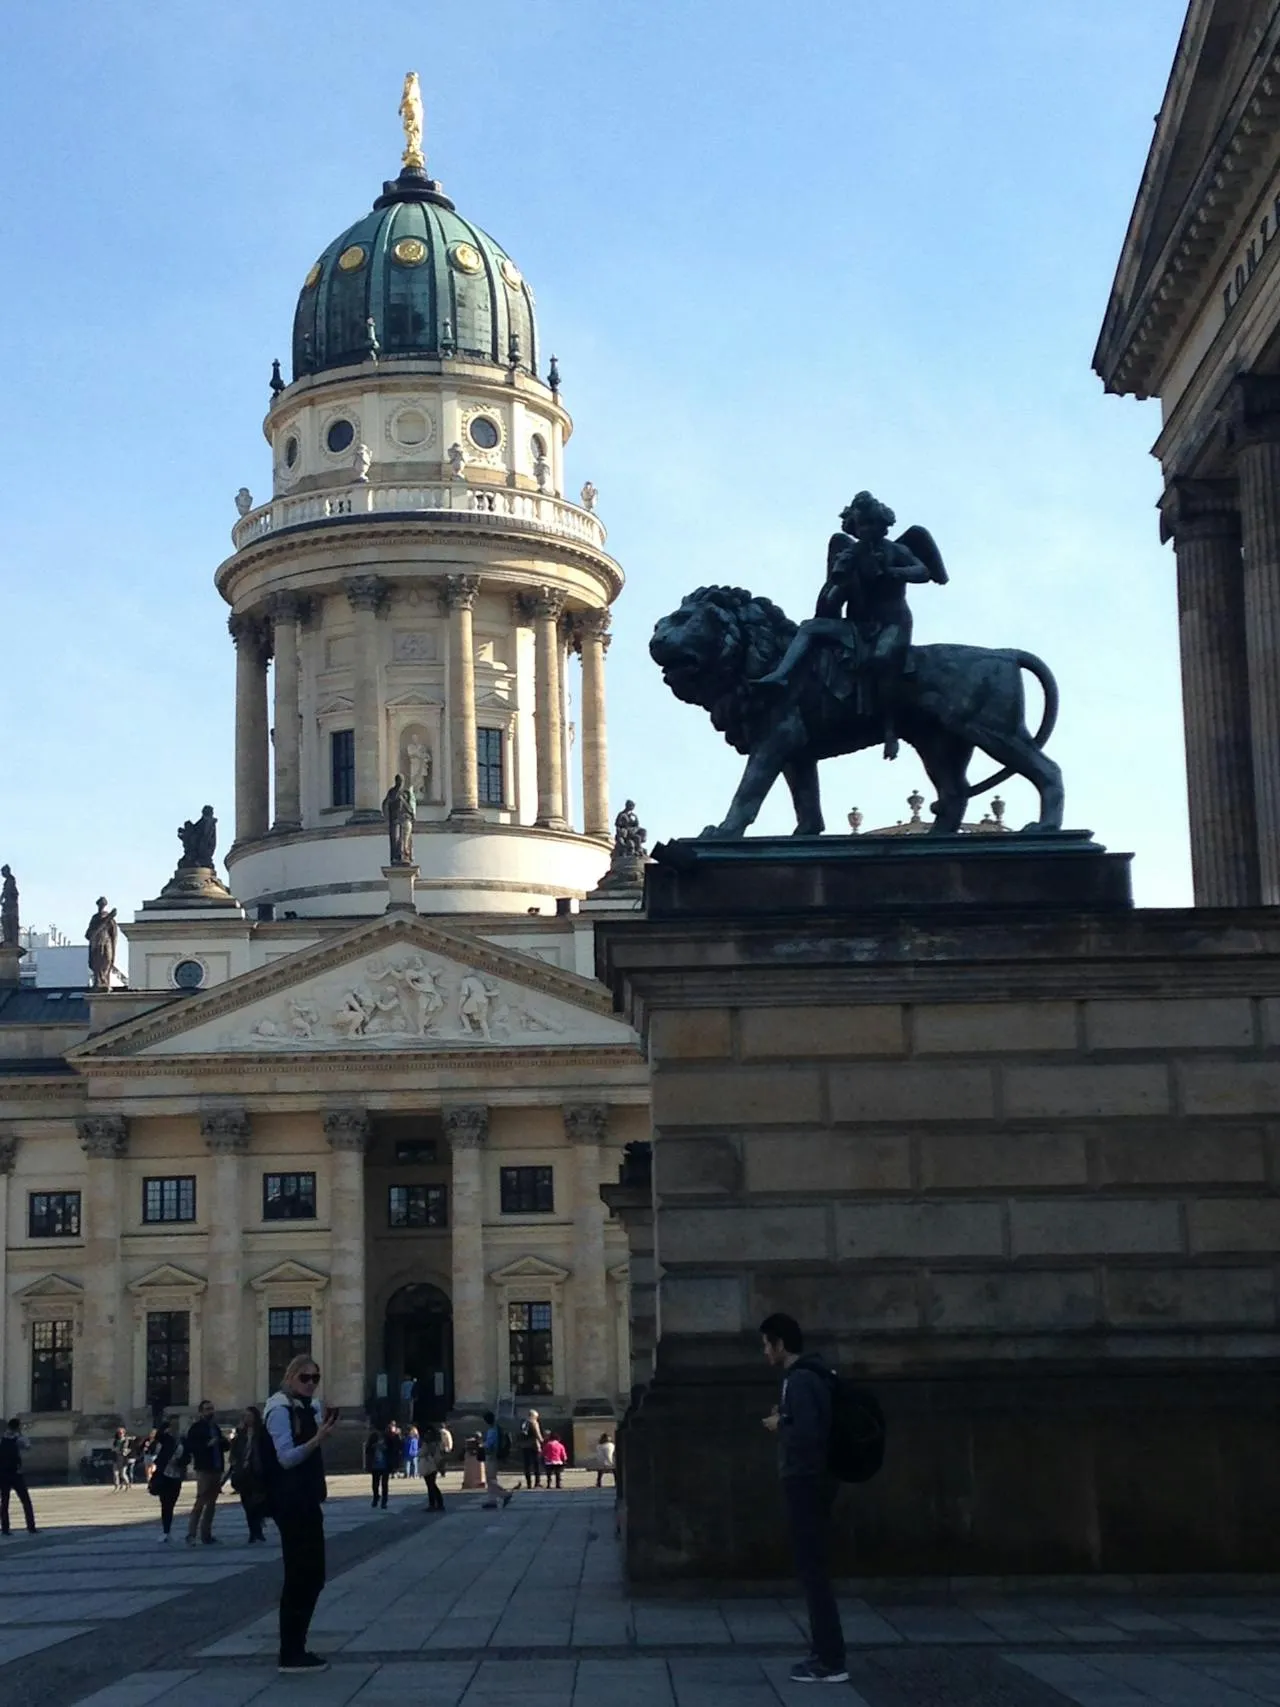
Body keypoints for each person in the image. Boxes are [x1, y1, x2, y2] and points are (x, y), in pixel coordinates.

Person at [755, 491, 946, 759]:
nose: (866, 529)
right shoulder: (849, 553)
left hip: (892, 624)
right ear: (853, 527)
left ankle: (890, 728)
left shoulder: (897, 550)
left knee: (881, 658)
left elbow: (923, 571)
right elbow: (830, 604)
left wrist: (894, 572)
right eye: (861, 525)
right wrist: (839, 582)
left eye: (870, 523)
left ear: (881, 524)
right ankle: (781, 675)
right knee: (811, 627)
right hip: (857, 626)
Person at [761, 1312, 848, 1686]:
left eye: (767, 1344)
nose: (765, 1351)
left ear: (781, 1344)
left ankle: (830, 1659)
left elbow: (808, 1436)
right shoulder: (813, 1376)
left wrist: (780, 1424)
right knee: (814, 1572)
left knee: (814, 1574)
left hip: (807, 1482)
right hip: (816, 1481)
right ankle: (824, 1653)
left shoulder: (797, 1380)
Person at [263, 1352, 337, 1674]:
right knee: (300, 1575)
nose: (310, 1384)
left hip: (307, 1499)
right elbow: (286, 1458)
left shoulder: (306, 1407)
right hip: (290, 1502)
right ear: (290, 1377)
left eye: (315, 1378)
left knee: (314, 1575)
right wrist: (317, 1439)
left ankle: (297, 1646)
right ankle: (290, 1652)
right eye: (304, 1378)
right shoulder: (279, 1409)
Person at [184, 1399, 229, 1545]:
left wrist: (223, 1442)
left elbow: (225, 1445)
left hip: (217, 1467)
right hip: (204, 1468)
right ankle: (191, 1534)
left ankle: (206, 1535)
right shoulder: (197, 1428)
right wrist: (206, 1445)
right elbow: (191, 1446)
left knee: (212, 1504)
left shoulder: (215, 1427)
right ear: (201, 1412)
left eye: (212, 1409)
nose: (211, 1411)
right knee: (201, 1500)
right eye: (207, 1409)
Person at [227, 1407, 270, 1542]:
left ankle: (258, 1528)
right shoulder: (240, 1434)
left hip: (258, 1471)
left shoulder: (262, 1432)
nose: (247, 1419)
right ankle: (253, 1531)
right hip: (243, 1472)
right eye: (245, 1416)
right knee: (247, 1503)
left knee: (258, 1502)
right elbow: (234, 1452)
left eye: (249, 1416)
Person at [147, 1416, 183, 1542]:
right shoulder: (167, 1439)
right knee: (165, 1504)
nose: (174, 1428)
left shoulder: (183, 1440)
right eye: (172, 1426)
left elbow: (188, 1456)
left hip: (176, 1476)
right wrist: (165, 1423)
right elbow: (158, 1435)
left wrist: (181, 1461)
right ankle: (166, 1530)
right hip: (164, 1475)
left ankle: (168, 1529)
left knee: (171, 1503)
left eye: (176, 1425)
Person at [0, 1417, 37, 1535]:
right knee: (26, 1501)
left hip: (3, 1474)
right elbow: (28, 1446)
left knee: (4, 1502)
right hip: (16, 1473)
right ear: (17, 1427)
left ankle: (5, 1528)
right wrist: (20, 1433)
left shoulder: (2, 1439)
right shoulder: (18, 1438)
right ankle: (31, 1527)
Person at [480, 1411, 515, 1509]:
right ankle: (492, 1500)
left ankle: (505, 1494)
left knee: (490, 1480)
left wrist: (481, 1445)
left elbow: (489, 1444)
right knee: (491, 1479)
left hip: (491, 1456)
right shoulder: (497, 1429)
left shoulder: (492, 1430)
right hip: (494, 1456)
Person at [420, 1425, 446, 1511]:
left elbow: (423, 1452)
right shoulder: (437, 1443)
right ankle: (438, 1503)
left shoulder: (428, 1443)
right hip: (433, 1464)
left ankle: (433, 1504)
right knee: (432, 1485)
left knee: (430, 1485)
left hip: (428, 1464)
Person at [365, 1426, 390, 1508]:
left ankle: (384, 1501)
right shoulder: (373, 1438)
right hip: (375, 1465)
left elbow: (392, 1449)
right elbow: (367, 1450)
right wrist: (373, 1447)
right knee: (375, 1484)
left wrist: (385, 1448)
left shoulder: (387, 1438)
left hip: (385, 1465)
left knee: (384, 1484)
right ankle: (376, 1497)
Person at [519, 1409, 544, 1488]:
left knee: (527, 1465)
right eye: (536, 1417)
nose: (537, 1419)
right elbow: (537, 1434)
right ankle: (537, 1483)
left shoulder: (523, 1422)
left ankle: (529, 1484)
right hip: (534, 1446)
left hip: (525, 1446)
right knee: (536, 1464)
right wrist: (542, 1441)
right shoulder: (533, 1422)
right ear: (533, 1416)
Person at [111, 1426, 131, 1492]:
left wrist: (120, 1450)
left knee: (123, 1474)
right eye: (119, 1433)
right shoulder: (116, 1441)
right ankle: (116, 1486)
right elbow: (113, 1448)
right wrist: (116, 1450)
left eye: (121, 1433)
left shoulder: (126, 1440)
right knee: (115, 1473)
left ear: (124, 1433)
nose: (120, 1434)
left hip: (123, 1459)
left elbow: (125, 1449)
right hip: (116, 1458)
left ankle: (127, 1484)